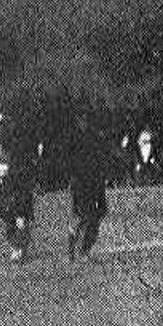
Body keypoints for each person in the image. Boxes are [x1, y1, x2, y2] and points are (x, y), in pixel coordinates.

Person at [0, 111, 34, 263]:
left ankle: (20, 248)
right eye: (0, 126)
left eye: (6, 126)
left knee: (21, 218)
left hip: (18, 184)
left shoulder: (18, 144)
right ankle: (16, 246)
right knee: (8, 218)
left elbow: (24, 163)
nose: (3, 129)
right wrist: (6, 169)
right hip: (1, 186)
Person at [61, 109, 110, 261]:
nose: (85, 121)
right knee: (83, 215)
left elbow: (102, 157)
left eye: (87, 118)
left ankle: (85, 248)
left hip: (96, 181)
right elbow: (66, 161)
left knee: (99, 212)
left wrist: (104, 175)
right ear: (77, 120)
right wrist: (71, 178)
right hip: (80, 182)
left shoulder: (95, 136)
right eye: (81, 118)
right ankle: (75, 249)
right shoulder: (72, 138)